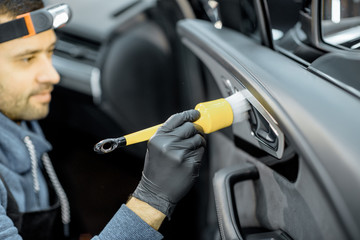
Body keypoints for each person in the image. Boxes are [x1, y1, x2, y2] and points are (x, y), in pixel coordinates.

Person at [0, 0, 206, 239]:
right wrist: (152, 200)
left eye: (50, 52)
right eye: (27, 58)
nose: (52, 75)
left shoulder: (20, 119)